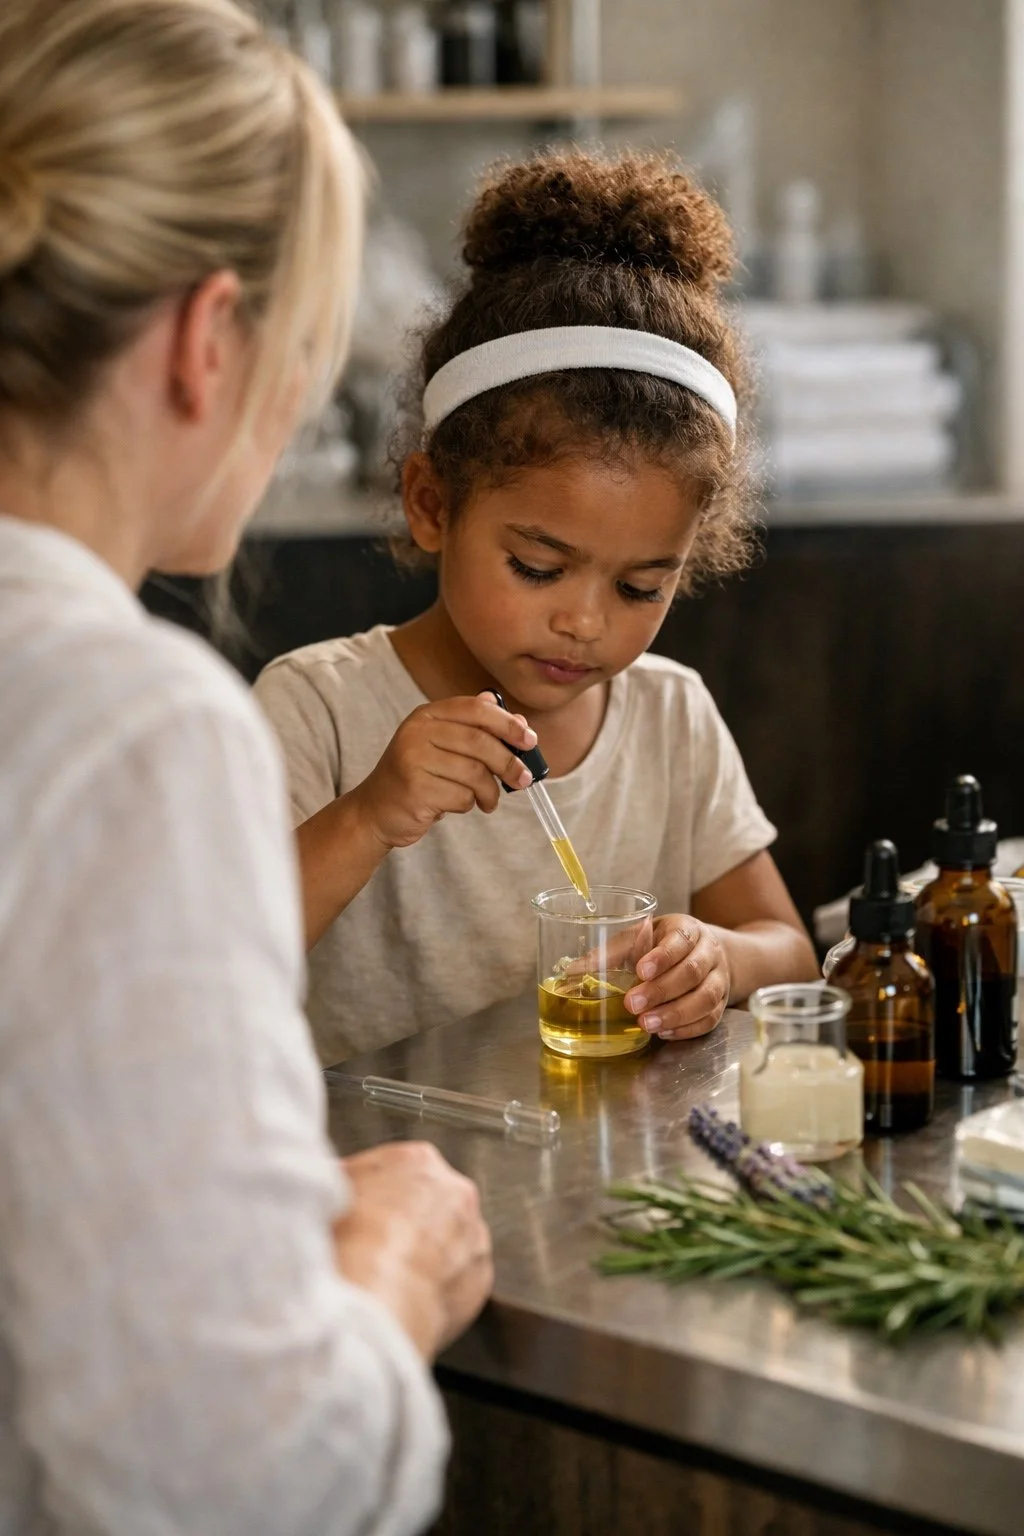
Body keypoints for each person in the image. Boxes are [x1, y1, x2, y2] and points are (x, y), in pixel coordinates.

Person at [0, 2, 491, 1532]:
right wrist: (395, 1264)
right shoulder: (121, 724)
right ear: (210, 341)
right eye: (303, 357)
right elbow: (234, 1477)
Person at [255, 150, 820, 1067]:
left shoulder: (670, 717)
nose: (586, 623)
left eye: (641, 587)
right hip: (385, 1180)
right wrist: (371, 814)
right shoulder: (316, 709)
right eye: (536, 566)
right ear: (433, 505)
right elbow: (219, 956)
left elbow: (786, 945)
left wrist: (714, 956)